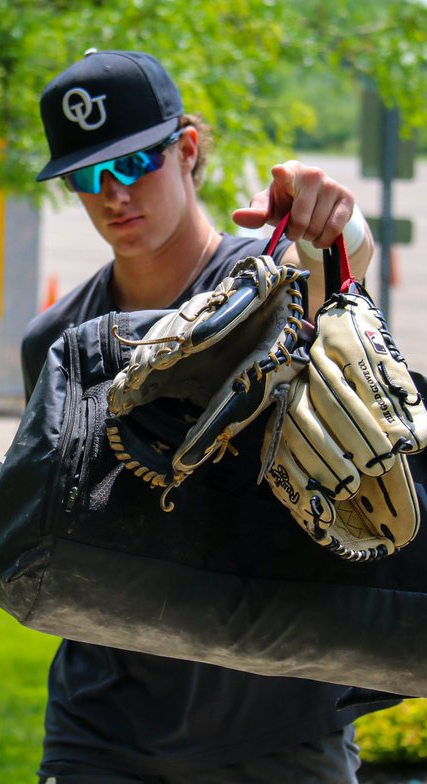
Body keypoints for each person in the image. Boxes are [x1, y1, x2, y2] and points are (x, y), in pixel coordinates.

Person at [21, 50, 386, 783]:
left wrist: (333, 240)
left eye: (131, 165)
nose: (112, 195)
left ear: (187, 150)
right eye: (87, 177)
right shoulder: (59, 344)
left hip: (276, 722)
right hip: (104, 724)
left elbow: (340, 293)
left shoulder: (273, 287)